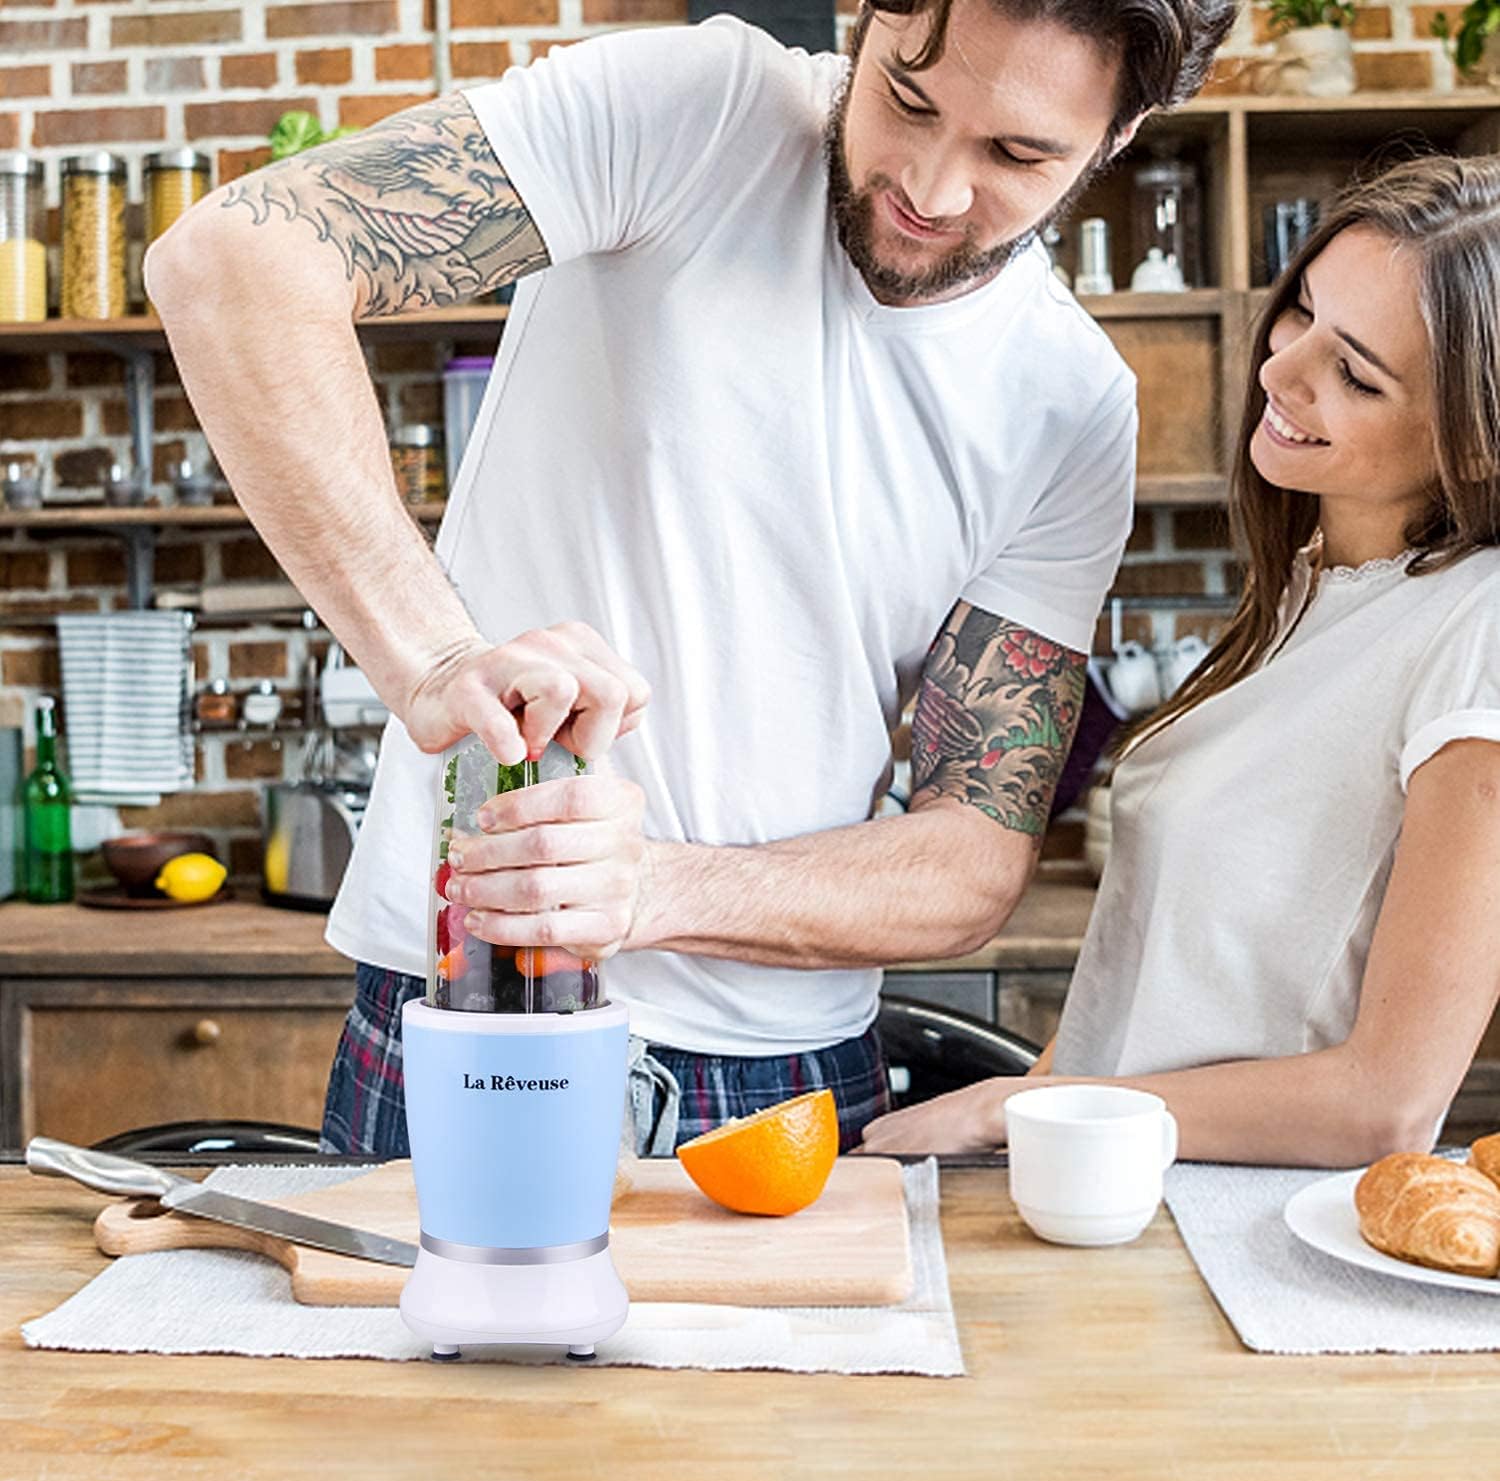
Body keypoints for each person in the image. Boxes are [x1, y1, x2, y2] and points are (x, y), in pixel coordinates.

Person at [144, 0, 1234, 1156]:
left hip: (791, 1083)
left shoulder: (1070, 404)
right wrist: (436, 656)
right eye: (906, 99)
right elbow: (232, 262)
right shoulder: (698, 112)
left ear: (1121, 134)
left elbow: (972, 860)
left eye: (1018, 154)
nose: (932, 185)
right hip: (472, 1018)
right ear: (866, 19)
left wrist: (649, 890)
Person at [859, 154, 1500, 1167]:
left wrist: (1009, 1113)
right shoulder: (1309, 596)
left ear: (1473, 441)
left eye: (1356, 374)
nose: (1283, 369)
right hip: (1124, 1197)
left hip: (1242, 1238)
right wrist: (1043, 1099)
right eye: (1303, 311)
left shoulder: (1478, 631)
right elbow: (1161, 985)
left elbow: (1386, 1106)